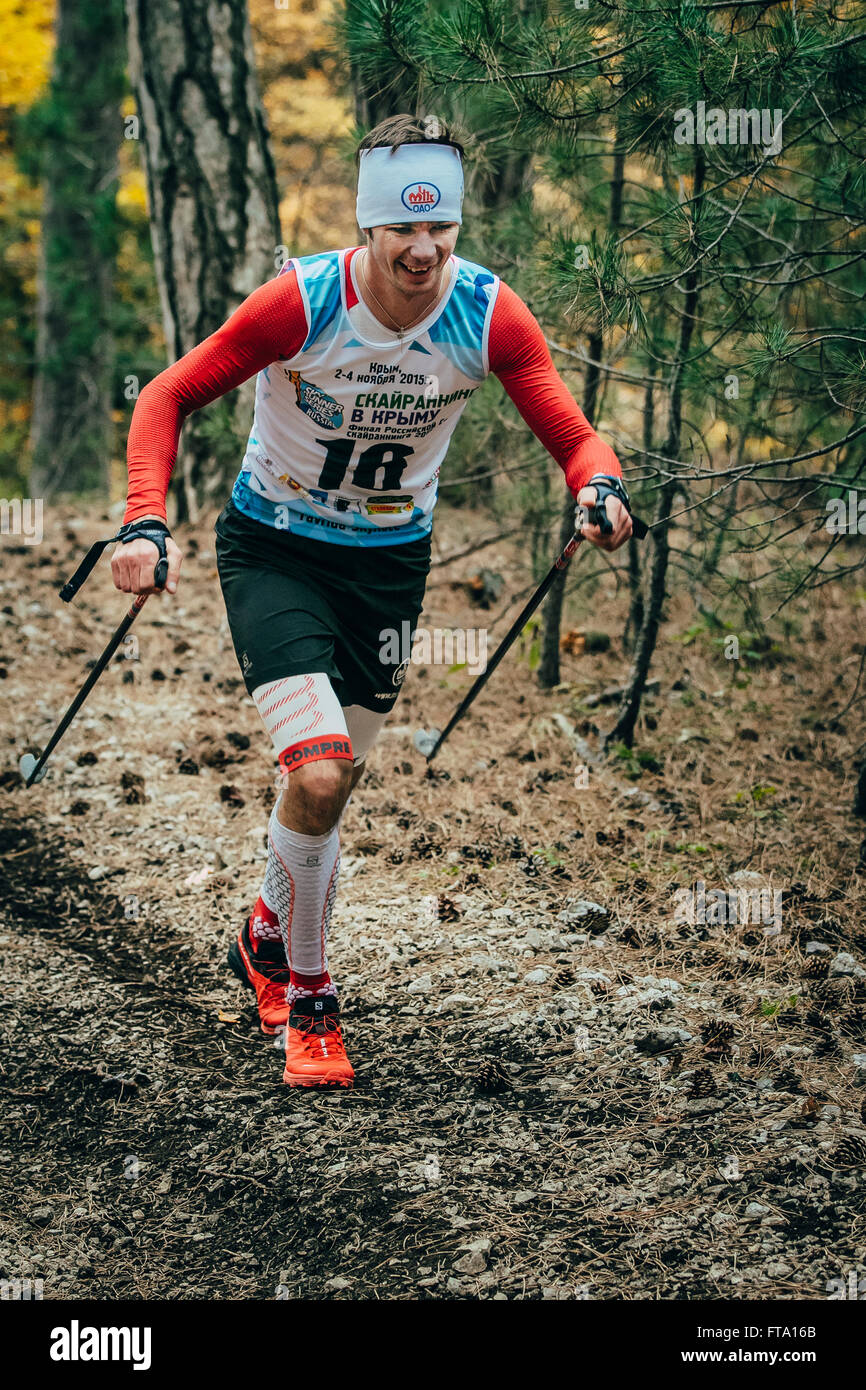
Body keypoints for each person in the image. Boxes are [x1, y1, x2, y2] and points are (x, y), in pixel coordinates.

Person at [111, 113, 634, 1088]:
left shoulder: (484, 314)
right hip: (273, 548)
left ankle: (263, 932)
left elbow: (573, 434)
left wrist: (595, 488)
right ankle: (307, 998)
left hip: (389, 566)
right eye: (404, 230)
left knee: (332, 788)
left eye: (441, 231)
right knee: (314, 773)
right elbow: (166, 395)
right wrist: (145, 520)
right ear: (370, 230)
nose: (425, 250)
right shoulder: (301, 304)